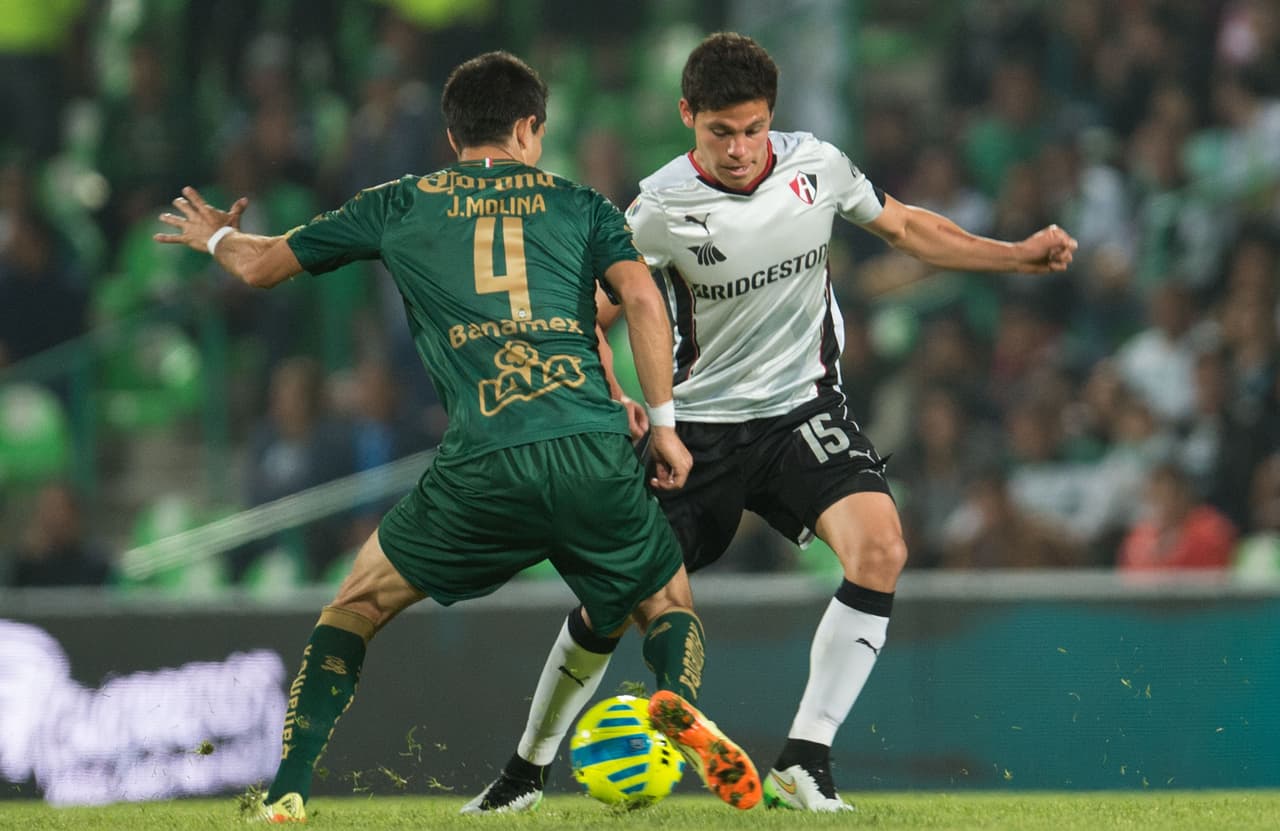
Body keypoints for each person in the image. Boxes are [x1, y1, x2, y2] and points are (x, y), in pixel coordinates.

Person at [478, 32, 1078, 814]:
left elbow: (905, 228)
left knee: (882, 546)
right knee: (614, 598)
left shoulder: (817, 167)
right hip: (697, 431)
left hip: (803, 409)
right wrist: (611, 393)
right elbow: (584, 312)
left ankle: (806, 760)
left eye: (753, 128)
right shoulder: (657, 207)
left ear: (773, 118)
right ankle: (524, 772)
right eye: (719, 131)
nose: (738, 149)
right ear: (687, 116)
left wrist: (1017, 255)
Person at [154, 51, 762, 822]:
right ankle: (674, 699)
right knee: (666, 597)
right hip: (592, 449)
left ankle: (288, 789)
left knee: (353, 607)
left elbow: (263, 267)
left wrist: (215, 239)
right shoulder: (583, 205)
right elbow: (641, 298)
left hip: (484, 459)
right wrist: (663, 423)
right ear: (529, 128)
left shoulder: (399, 202)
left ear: (451, 137)